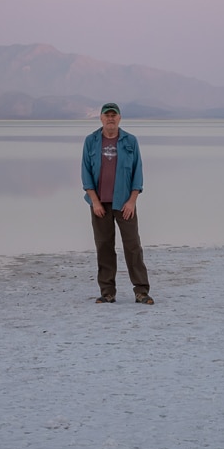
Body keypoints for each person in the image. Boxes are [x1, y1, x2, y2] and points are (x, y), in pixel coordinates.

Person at [81, 102, 153, 304]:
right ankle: (107, 292)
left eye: (114, 115)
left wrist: (132, 201)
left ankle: (141, 291)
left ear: (119, 118)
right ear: (101, 118)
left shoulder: (130, 141)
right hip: (100, 204)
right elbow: (85, 174)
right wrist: (94, 201)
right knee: (104, 246)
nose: (110, 118)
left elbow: (138, 173)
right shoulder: (91, 141)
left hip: (124, 203)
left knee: (133, 247)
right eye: (107, 115)